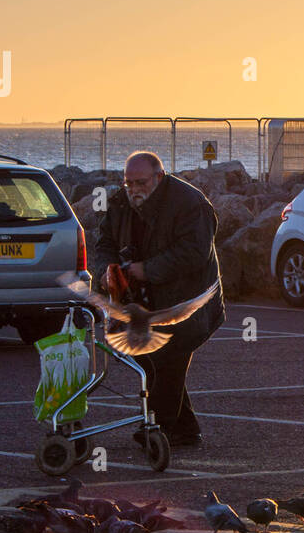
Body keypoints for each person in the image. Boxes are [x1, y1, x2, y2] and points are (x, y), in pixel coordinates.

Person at [92, 151, 224, 447]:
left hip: (188, 304)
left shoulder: (191, 204)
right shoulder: (119, 203)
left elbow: (194, 252)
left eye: (140, 182)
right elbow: (104, 245)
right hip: (146, 304)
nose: (134, 189)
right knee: (158, 361)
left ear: (159, 177)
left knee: (168, 360)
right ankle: (185, 429)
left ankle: (157, 429)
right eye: (128, 183)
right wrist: (105, 273)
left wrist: (146, 270)